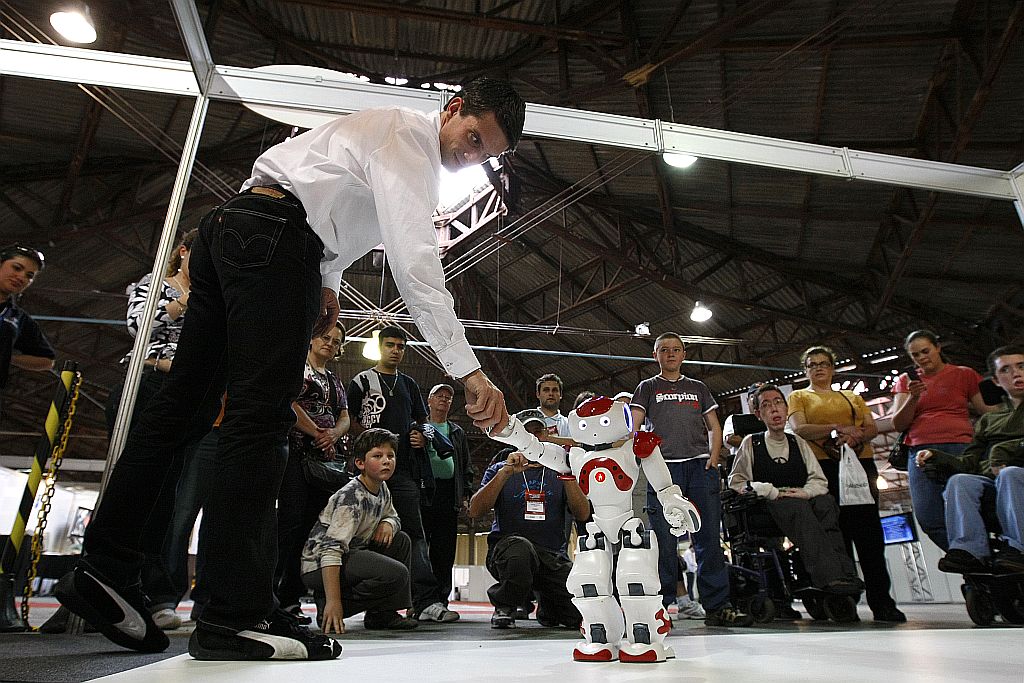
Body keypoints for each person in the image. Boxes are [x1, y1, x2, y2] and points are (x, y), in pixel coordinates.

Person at [57, 78, 523, 661]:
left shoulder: (382, 134)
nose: (469, 156)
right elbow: (415, 264)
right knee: (258, 423)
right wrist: (469, 372)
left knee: (183, 408)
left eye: (485, 155)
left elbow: (334, 202)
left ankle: (105, 565)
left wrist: (327, 282)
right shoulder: (411, 137)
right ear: (452, 109)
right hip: (279, 240)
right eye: (473, 138)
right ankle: (233, 613)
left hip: (233, 228)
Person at [103, 229, 210, 631]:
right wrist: (182, 303)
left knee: (171, 496)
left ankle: (158, 591)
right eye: (201, 255)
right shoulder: (154, 286)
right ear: (183, 252)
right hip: (145, 387)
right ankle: (108, 576)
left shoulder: (212, 297)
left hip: (187, 395)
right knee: (131, 483)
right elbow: (137, 327)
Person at [630, 332, 753, 627]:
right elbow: (633, 425)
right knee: (663, 541)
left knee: (708, 537)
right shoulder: (647, 387)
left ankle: (717, 606)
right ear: (655, 355)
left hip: (700, 466)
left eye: (676, 349)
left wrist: (714, 456)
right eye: (664, 350)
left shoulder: (698, 387)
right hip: (663, 471)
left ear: (684, 354)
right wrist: (641, 457)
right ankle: (660, 610)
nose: (670, 354)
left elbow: (714, 426)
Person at [788, 345, 906, 623]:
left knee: (869, 535)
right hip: (823, 468)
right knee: (835, 534)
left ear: (832, 368)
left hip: (859, 465)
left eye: (823, 363)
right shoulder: (799, 396)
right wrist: (837, 428)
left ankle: (882, 601)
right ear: (805, 370)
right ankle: (844, 598)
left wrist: (855, 437)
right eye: (812, 364)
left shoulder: (852, 397)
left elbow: (871, 428)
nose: (818, 368)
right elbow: (800, 428)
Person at [348, 326, 457, 623]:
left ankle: (425, 601)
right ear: (380, 346)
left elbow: (423, 422)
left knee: (414, 534)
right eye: (390, 345)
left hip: (404, 471)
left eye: (400, 346)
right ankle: (376, 605)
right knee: (367, 536)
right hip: (368, 476)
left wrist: (421, 435)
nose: (395, 350)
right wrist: (371, 443)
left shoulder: (409, 384)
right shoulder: (362, 381)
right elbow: (349, 419)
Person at [730, 384, 864, 596]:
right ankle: (829, 577)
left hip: (800, 498)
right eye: (766, 405)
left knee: (825, 503)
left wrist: (806, 492)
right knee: (798, 508)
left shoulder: (798, 442)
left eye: (778, 403)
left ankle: (846, 573)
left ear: (786, 409)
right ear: (758, 414)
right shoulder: (751, 443)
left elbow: (818, 480)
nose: (774, 409)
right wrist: (771, 491)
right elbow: (737, 482)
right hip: (768, 505)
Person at [469, 409, 587, 630]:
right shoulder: (499, 469)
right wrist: (505, 473)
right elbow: (475, 511)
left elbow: (582, 514)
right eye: (527, 432)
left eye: (538, 432)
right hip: (509, 551)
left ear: (546, 435)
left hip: (551, 556)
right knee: (521, 550)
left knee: (576, 615)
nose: (533, 437)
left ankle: (548, 607)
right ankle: (505, 605)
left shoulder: (559, 469)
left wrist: (568, 474)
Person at [916, 345, 1024, 574]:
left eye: (1021, 366)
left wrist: (1002, 452)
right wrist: (937, 456)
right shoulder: (989, 420)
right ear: (996, 381)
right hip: (997, 480)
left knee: (1010, 473)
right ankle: (970, 551)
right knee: (960, 481)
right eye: (1005, 370)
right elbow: (969, 461)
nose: (1016, 373)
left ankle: (1019, 549)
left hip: (1013, 475)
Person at [301, 428, 417, 632]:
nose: (386, 461)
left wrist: (388, 523)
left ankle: (383, 614)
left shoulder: (381, 488)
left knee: (401, 540)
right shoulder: (351, 497)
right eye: (377, 456)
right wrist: (334, 601)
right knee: (397, 574)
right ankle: (330, 606)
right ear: (360, 463)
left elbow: (394, 516)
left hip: (352, 553)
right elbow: (330, 550)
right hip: (319, 565)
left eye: (390, 456)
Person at [890, 330, 995, 550]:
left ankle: (979, 554)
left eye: (925, 351)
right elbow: (898, 424)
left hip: (961, 447)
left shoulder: (963, 374)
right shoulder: (906, 381)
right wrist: (913, 397)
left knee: (972, 507)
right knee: (928, 516)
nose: (922, 358)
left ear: (938, 348)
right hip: (920, 450)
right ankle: (968, 557)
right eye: (915, 355)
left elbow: (986, 411)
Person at [275, 323, 350, 623]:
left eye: (336, 341)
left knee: (313, 528)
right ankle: (275, 596)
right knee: (289, 525)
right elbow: (289, 403)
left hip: (325, 462)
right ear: (311, 339)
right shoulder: (297, 369)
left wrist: (333, 435)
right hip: (295, 454)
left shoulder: (334, 380)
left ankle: (292, 597)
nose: (330, 343)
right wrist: (318, 433)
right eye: (325, 337)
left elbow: (344, 416)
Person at [419, 383, 474, 608]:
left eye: (448, 397)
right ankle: (419, 599)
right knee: (420, 547)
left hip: (448, 494)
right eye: (439, 395)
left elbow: (466, 465)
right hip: (423, 493)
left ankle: (441, 598)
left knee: (444, 550)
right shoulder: (417, 427)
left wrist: (465, 494)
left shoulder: (457, 432)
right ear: (429, 400)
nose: (444, 399)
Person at [0, 244, 55, 421]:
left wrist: (8, 356)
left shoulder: (17, 318)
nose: (21, 277)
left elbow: (47, 361)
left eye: (29, 276)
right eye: (17, 268)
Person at [536, 373, 570, 438]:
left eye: (554, 390)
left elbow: (577, 442)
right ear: (538, 394)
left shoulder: (568, 423)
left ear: (561, 395)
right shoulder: (528, 421)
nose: (551, 393)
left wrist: (548, 439)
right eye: (546, 390)